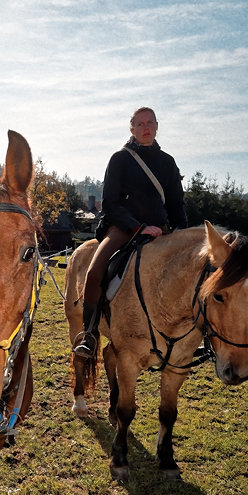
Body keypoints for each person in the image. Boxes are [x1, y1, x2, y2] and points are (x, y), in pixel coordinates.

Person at [74, 107, 188, 358]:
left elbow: (176, 204)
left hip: (160, 231)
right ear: (132, 129)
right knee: (94, 272)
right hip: (125, 228)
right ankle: (90, 333)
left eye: (150, 123)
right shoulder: (120, 159)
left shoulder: (168, 162)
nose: (145, 127)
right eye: (140, 124)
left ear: (157, 126)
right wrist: (138, 227)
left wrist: (184, 234)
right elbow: (111, 203)